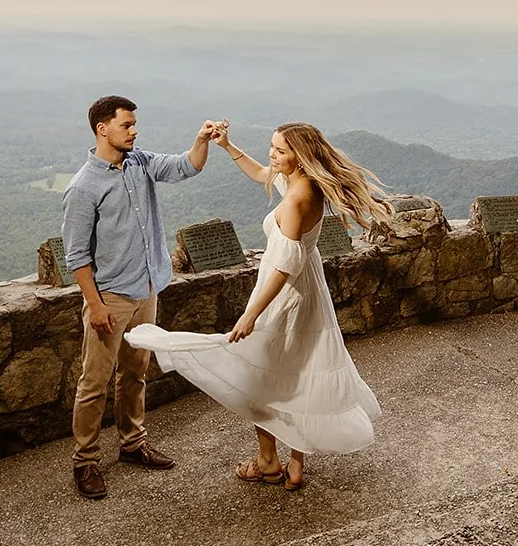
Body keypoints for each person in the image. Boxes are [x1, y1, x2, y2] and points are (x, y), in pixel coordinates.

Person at [126, 121, 390, 491]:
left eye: (281, 150)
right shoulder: (304, 184)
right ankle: (294, 464)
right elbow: (262, 173)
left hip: (283, 298)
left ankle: (268, 461)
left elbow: (283, 268)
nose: (272, 154)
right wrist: (228, 146)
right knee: (298, 375)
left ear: (300, 156)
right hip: (309, 293)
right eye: (272, 146)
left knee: (262, 378)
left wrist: (251, 315)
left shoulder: (298, 200)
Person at [61, 95, 221, 500]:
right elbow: (77, 256)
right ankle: (86, 461)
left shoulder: (141, 162)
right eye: (127, 125)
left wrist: (202, 139)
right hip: (110, 297)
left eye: (134, 125)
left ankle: (133, 444)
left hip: (146, 288)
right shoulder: (83, 187)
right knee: (94, 382)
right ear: (103, 129)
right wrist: (95, 305)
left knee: (134, 374)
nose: (134, 131)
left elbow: (187, 166)